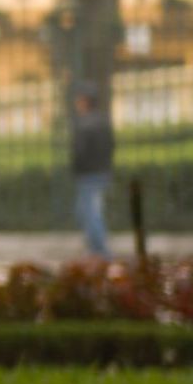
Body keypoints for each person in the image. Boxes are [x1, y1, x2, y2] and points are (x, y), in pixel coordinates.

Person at [69, 82, 115, 259]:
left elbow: (79, 151)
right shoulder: (103, 121)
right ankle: (94, 248)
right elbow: (111, 146)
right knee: (87, 210)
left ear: (84, 101)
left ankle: (101, 251)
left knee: (91, 212)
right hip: (102, 171)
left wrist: (77, 169)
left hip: (88, 174)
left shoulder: (83, 123)